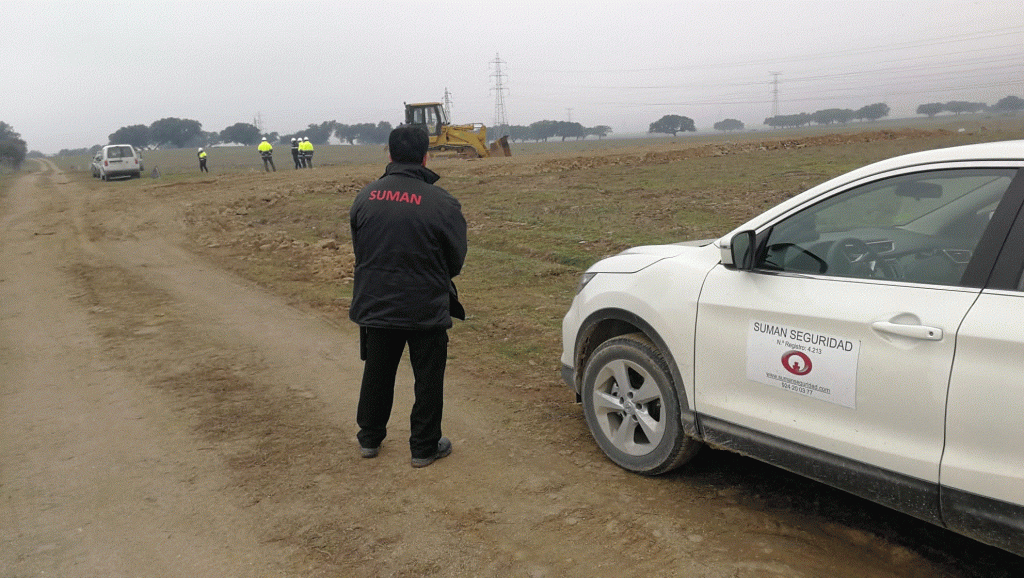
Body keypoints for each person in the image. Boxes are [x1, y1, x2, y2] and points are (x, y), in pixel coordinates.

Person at [349, 125, 467, 468]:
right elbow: (455, 259)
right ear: (425, 156)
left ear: (389, 154)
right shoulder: (443, 203)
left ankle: (369, 439)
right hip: (425, 306)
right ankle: (424, 446)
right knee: (428, 376)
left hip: (376, 303)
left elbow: (362, 251)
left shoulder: (364, 197)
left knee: (377, 370)